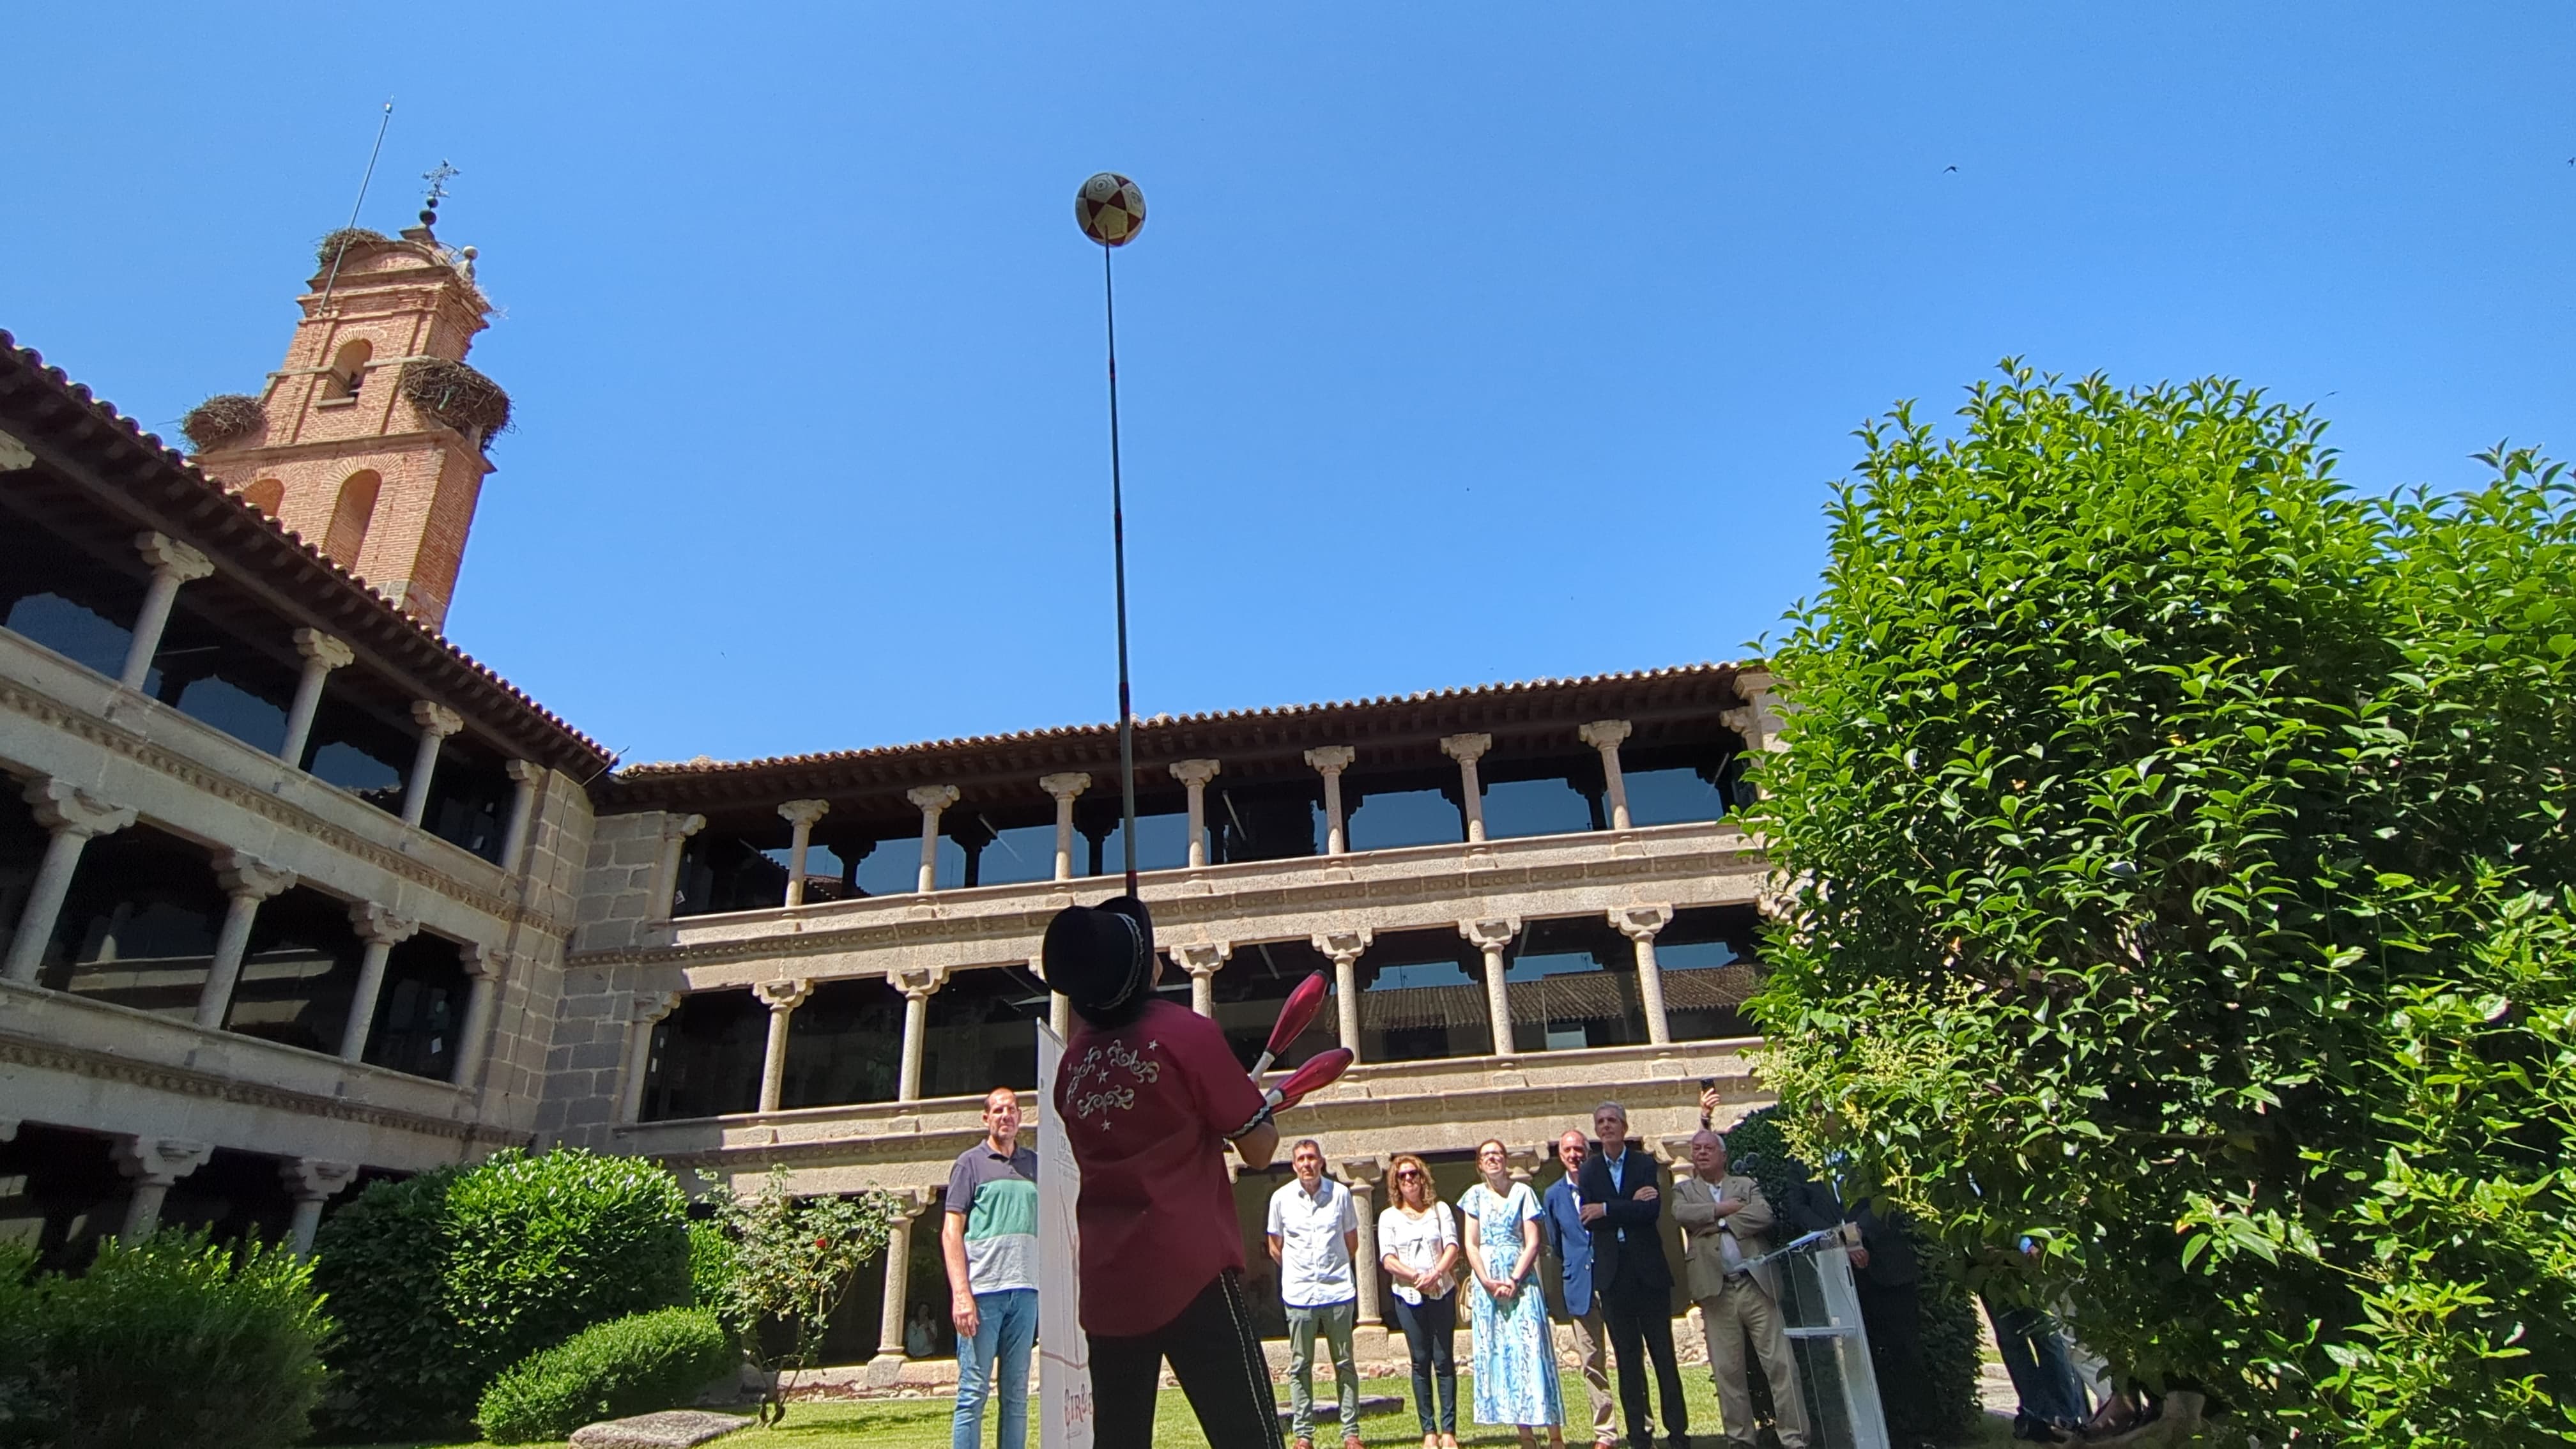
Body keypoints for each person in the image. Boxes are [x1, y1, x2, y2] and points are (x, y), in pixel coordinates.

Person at [1044, 896, 1282, 1448]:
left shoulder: (1072, 1065)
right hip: (1189, 1268)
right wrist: (1254, 1113)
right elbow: (1261, 1149)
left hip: (1108, 1284)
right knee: (1247, 1436)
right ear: (1142, 966)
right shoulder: (1186, 1033)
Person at [1670, 1128, 1810, 1449]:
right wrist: (1724, 1210)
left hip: (1756, 1286)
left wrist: (1715, 1225)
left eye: (1708, 1148)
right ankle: (1741, 1441)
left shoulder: (1744, 1185)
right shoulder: (1685, 1191)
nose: (1701, 1153)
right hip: (1716, 1292)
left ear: (1723, 1155)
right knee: (1728, 1371)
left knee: (1780, 1364)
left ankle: (1794, 1438)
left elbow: (1763, 1214)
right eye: (1696, 1149)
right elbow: (1682, 1215)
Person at [1576, 1101, 1687, 1449]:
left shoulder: (1643, 1163)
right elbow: (1588, 1218)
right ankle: (1638, 1434)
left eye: (1612, 1121)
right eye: (1601, 1122)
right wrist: (1628, 1206)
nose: (1606, 1127)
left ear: (1624, 1127)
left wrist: (1608, 1207)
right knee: (1627, 1360)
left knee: (1663, 1356)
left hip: (1649, 1274)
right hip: (1614, 1276)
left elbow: (1650, 1212)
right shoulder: (1590, 1171)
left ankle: (1678, 1433)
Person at [942, 1085, 1039, 1449]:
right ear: (986, 1118)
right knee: (973, 1391)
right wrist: (961, 1294)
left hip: (1026, 1292)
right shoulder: (969, 1163)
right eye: (998, 1110)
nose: (1006, 1116)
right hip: (983, 1293)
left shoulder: (1034, 1164)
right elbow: (952, 1231)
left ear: (1020, 1117)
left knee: (1016, 1395)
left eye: (1012, 1110)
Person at [1460, 1138, 1565, 1449]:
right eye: (1486, 1155)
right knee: (1505, 1355)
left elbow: (1532, 1241)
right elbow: (1471, 1244)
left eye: (1497, 1154)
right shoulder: (1474, 1196)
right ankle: (1526, 1436)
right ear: (1480, 1164)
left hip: (1522, 1281)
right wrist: (1487, 1280)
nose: (1492, 1160)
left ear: (1505, 1160)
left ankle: (1555, 1435)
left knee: (1534, 1352)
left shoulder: (1523, 1193)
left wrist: (1515, 1278)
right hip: (1488, 1285)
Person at [1268, 1138, 1365, 1449]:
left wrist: (1332, 1269)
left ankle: (1350, 1433)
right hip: (1299, 1296)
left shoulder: (1340, 1195)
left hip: (1337, 1291)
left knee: (1345, 1363)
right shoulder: (1281, 1199)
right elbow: (1275, 1246)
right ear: (1294, 1165)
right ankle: (1303, 1435)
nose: (1307, 1164)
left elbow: (1352, 1241)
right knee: (1300, 1366)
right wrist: (1297, 1272)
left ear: (1321, 1162)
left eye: (1312, 1158)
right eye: (1301, 1159)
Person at [1540, 1128, 1621, 1449]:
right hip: (1579, 1288)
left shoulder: (1605, 1184)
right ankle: (1606, 1433)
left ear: (1588, 1153)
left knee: (1628, 1357)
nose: (1574, 1155)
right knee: (1592, 1362)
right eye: (1567, 1150)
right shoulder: (1552, 1195)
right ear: (1560, 1156)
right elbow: (1556, 1244)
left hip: (1614, 1279)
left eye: (1579, 1149)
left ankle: (1642, 1427)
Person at [1379, 1152, 1462, 1449]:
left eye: (1413, 1174)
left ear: (1422, 1177)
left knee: (1443, 1360)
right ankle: (1428, 1430)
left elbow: (1452, 1245)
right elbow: (1388, 1258)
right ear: (1396, 1183)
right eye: (1402, 1176)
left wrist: (1436, 1273)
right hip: (1408, 1294)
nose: (1409, 1180)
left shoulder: (1440, 1210)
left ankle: (1449, 1431)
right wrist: (1416, 1276)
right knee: (1420, 1361)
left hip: (1441, 1289)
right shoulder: (1389, 1216)